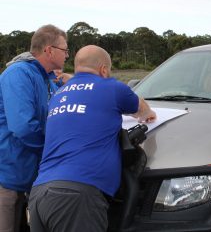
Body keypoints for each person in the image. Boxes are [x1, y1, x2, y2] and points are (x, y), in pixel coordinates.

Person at [28, 45, 156, 232]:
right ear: (104, 69)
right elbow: (142, 109)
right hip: (78, 195)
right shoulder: (111, 87)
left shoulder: (58, 95)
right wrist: (149, 114)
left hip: (40, 193)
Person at [0, 24, 69, 232]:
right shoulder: (19, 74)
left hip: (31, 174)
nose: (67, 55)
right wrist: (52, 150)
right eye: (64, 50)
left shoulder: (46, 78)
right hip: (9, 174)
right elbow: (23, 126)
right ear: (49, 50)